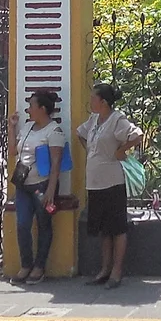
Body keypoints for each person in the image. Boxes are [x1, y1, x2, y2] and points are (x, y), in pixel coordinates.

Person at [77, 81, 144, 288]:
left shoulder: (117, 120)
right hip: (95, 183)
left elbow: (137, 135)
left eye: (93, 98)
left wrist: (121, 151)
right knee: (104, 230)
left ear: (103, 102)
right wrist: (91, 151)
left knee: (117, 228)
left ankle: (116, 271)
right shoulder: (94, 119)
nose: (90, 101)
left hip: (112, 181)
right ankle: (104, 269)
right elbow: (80, 133)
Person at [13, 89, 69, 283]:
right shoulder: (27, 127)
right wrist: (12, 129)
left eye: (32, 106)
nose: (28, 110)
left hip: (42, 185)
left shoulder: (54, 131)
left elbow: (56, 164)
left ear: (43, 109)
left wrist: (51, 190)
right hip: (23, 184)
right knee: (22, 225)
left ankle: (39, 266)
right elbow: (14, 150)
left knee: (44, 225)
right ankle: (25, 264)